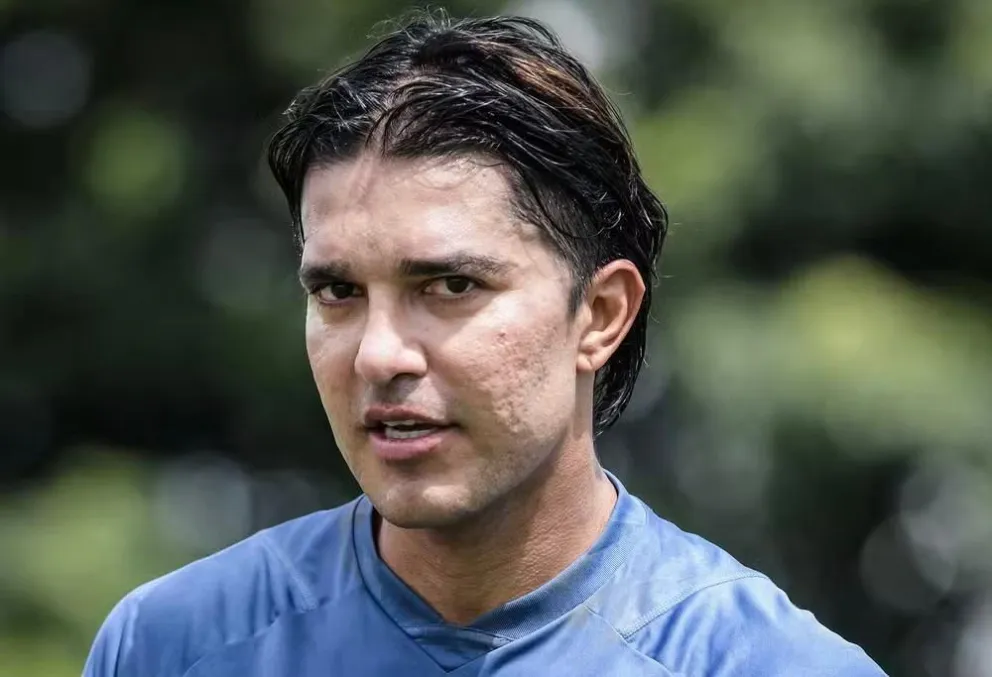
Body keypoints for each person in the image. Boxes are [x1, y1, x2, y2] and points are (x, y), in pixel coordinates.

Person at [84, 12, 887, 677]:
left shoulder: (761, 663)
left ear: (600, 314)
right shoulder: (172, 647)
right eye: (338, 292)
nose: (379, 355)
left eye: (450, 285)